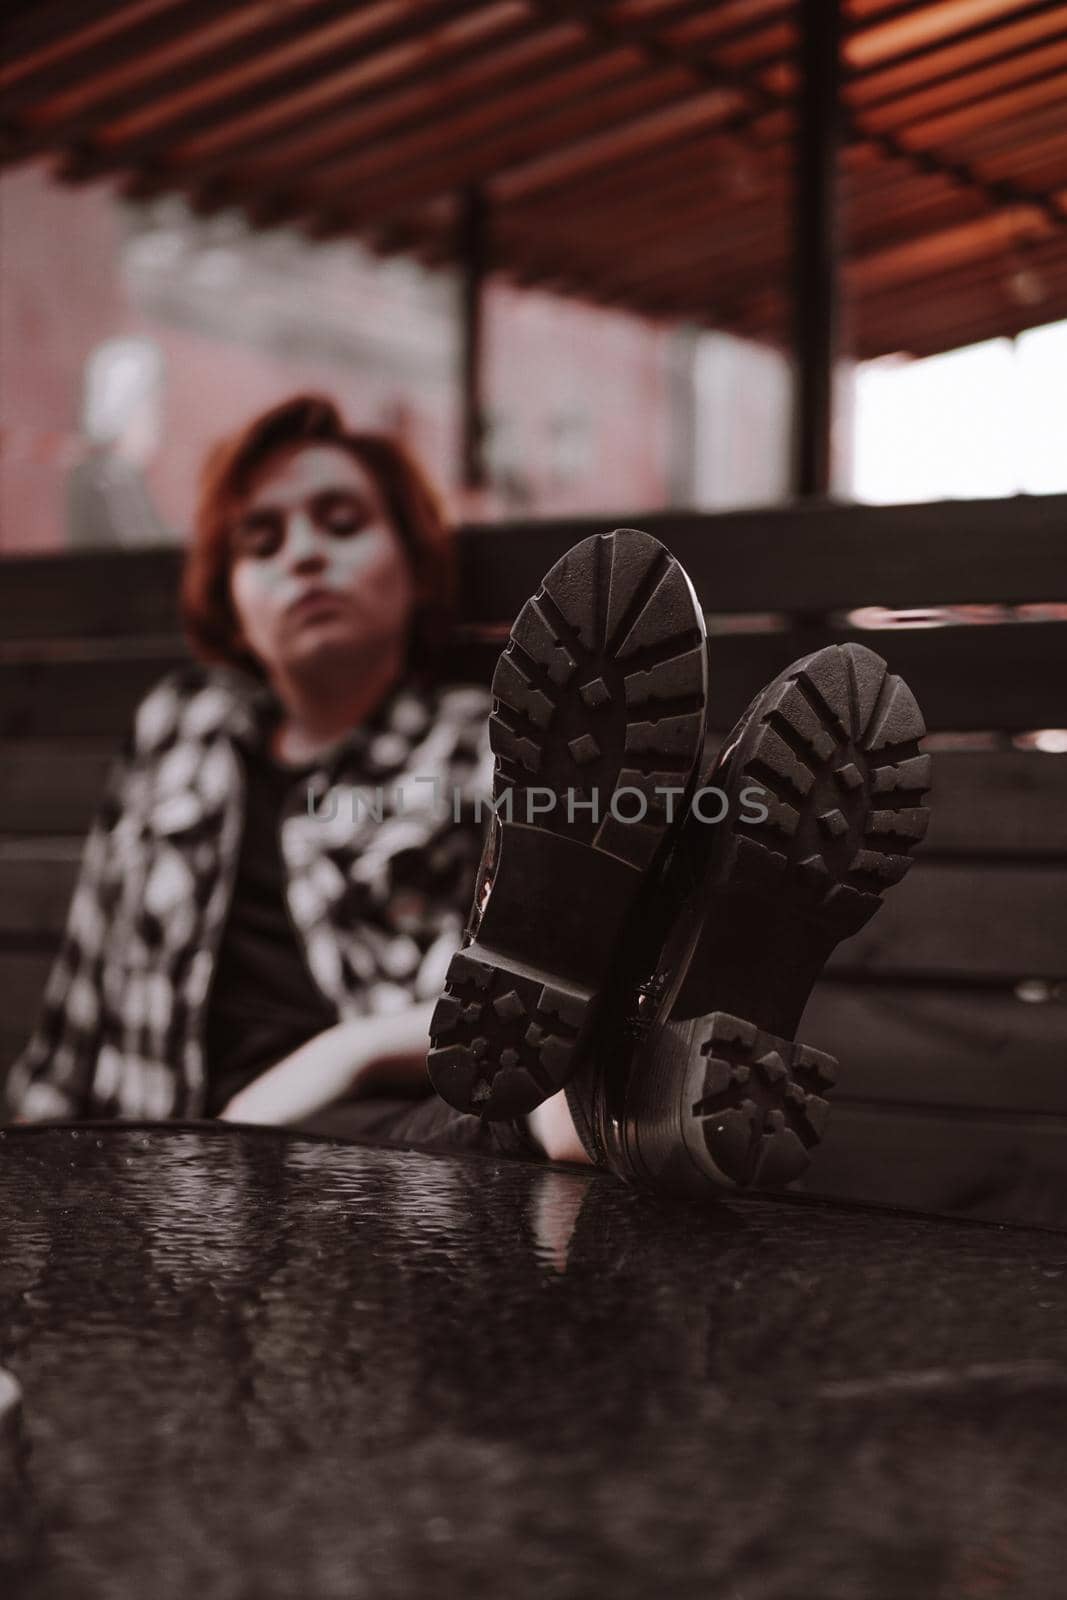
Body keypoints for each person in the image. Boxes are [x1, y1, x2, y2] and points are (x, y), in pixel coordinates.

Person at [6, 397, 932, 1196]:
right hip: (169, 1148)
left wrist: (346, 1050)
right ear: (229, 596)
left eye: (341, 522)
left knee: (489, 1123)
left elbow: (515, 1001)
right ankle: (642, 1086)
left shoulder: (476, 743)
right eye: (263, 538)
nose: (304, 556)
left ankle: (640, 1061)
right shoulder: (176, 734)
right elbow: (84, 1000)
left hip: (377, 1131)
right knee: (528, 1121)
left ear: (412, 568)